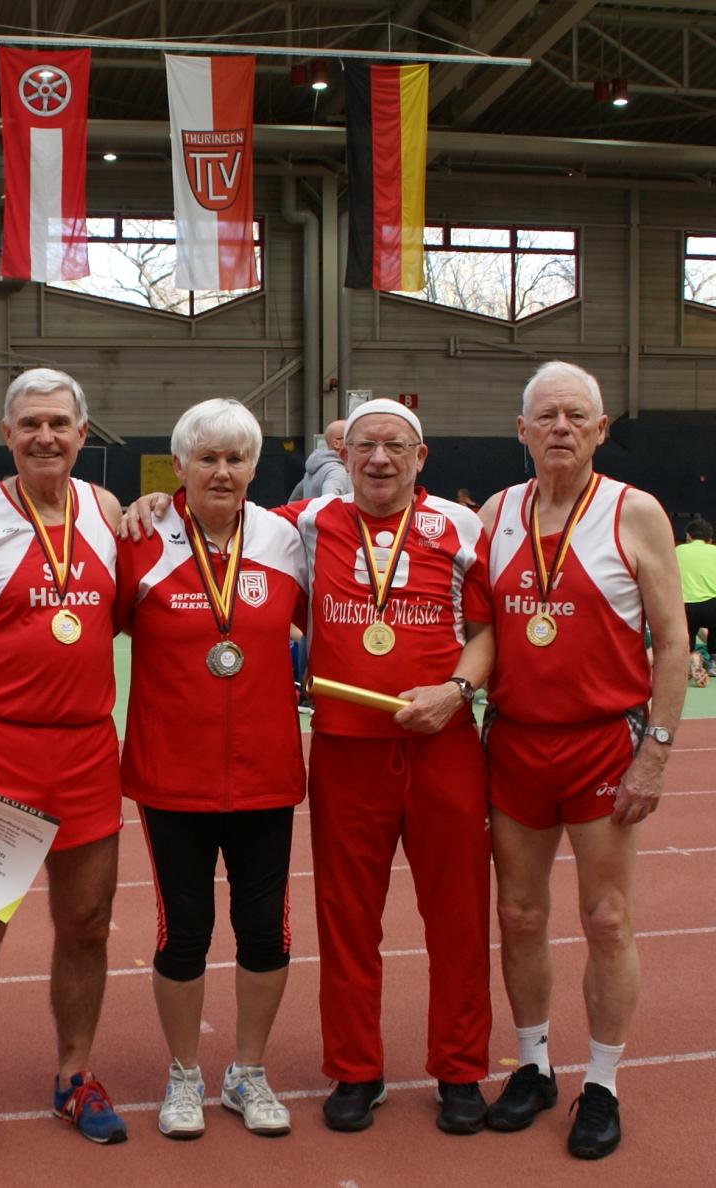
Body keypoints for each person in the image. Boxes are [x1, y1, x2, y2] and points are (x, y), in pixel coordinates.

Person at [124, 397, 496, 1136]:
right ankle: (356, 1070)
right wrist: (141, 502)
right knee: (347, 922)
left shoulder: (462, 527)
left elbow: (486, 633)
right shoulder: (305, 524)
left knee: (457, 917)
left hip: (443, 746)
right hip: (346, 750)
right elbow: (204, 508)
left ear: (421, 457)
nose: (380, 459)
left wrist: (458, 691)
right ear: (341, 457)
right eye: (365, 447)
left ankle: (459, 1070)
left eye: (396, 446)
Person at [479, 361, 688, 1160]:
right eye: (546, 415)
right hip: (517, 742)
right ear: (522, 431)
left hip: (603, 743)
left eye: (577, 415)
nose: (560, 427)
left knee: (606, 918)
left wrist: (657, 754)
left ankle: (602, 1082)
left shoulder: (636, 513)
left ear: (601, 430)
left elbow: (672, 642)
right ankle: (533, 1067)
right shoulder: (497, 512)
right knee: (520, 915)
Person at [0, 367, 126, 1162]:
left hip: (84, 750)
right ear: (7, 435)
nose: (46, 436)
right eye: (30, 424)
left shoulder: (110, 512)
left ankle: (75, 1074)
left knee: (87, 925)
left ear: (83, 433)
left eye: (60, 423)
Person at [115, 399, 307, 1141]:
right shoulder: (139, 539)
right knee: (184, 930)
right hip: (172, 775)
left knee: (265, 930)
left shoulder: (287, 538)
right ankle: (185, 1074)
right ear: (180, 467)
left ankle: (249, 1072)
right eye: (207, 458)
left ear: (254, 468)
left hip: (265, 773)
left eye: (236, 459)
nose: (221, 471)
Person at [676, 516, 716, 682]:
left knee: (687, 633)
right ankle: (714, 660)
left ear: (688, 537)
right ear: (710, 540)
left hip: (685, 607)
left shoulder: (677, 551)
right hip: (712, 607)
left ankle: (688, 660)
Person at [289, 417, 351, 499]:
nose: (358, 441)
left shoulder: (316, 468)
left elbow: (293, 501)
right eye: (351, 437)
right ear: (336, 443)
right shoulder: (336, 471)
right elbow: (329, 504)